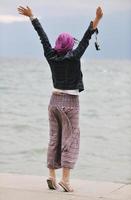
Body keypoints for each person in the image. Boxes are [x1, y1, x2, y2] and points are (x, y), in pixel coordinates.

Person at [17, 5, 103, 192]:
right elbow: (87, 37)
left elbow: (43, 37)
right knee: (70, 140)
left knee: (54, 138)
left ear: (58, 45)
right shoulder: (74, 56)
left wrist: (32, 17)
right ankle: (65, 180)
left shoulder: (51, 55)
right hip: (71, 103)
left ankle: (51, 176)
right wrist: (97, 19)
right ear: (70, 46)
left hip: (53, 101)